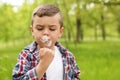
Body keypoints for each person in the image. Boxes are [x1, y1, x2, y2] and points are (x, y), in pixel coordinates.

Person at [12, 4, 80, 80]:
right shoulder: (27, 55)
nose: (46, 33)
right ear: (32, 30)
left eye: (52, 29)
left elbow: (75, 77)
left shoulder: (68, 56)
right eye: (40, 28)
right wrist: (42, 65)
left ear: (60, 32)